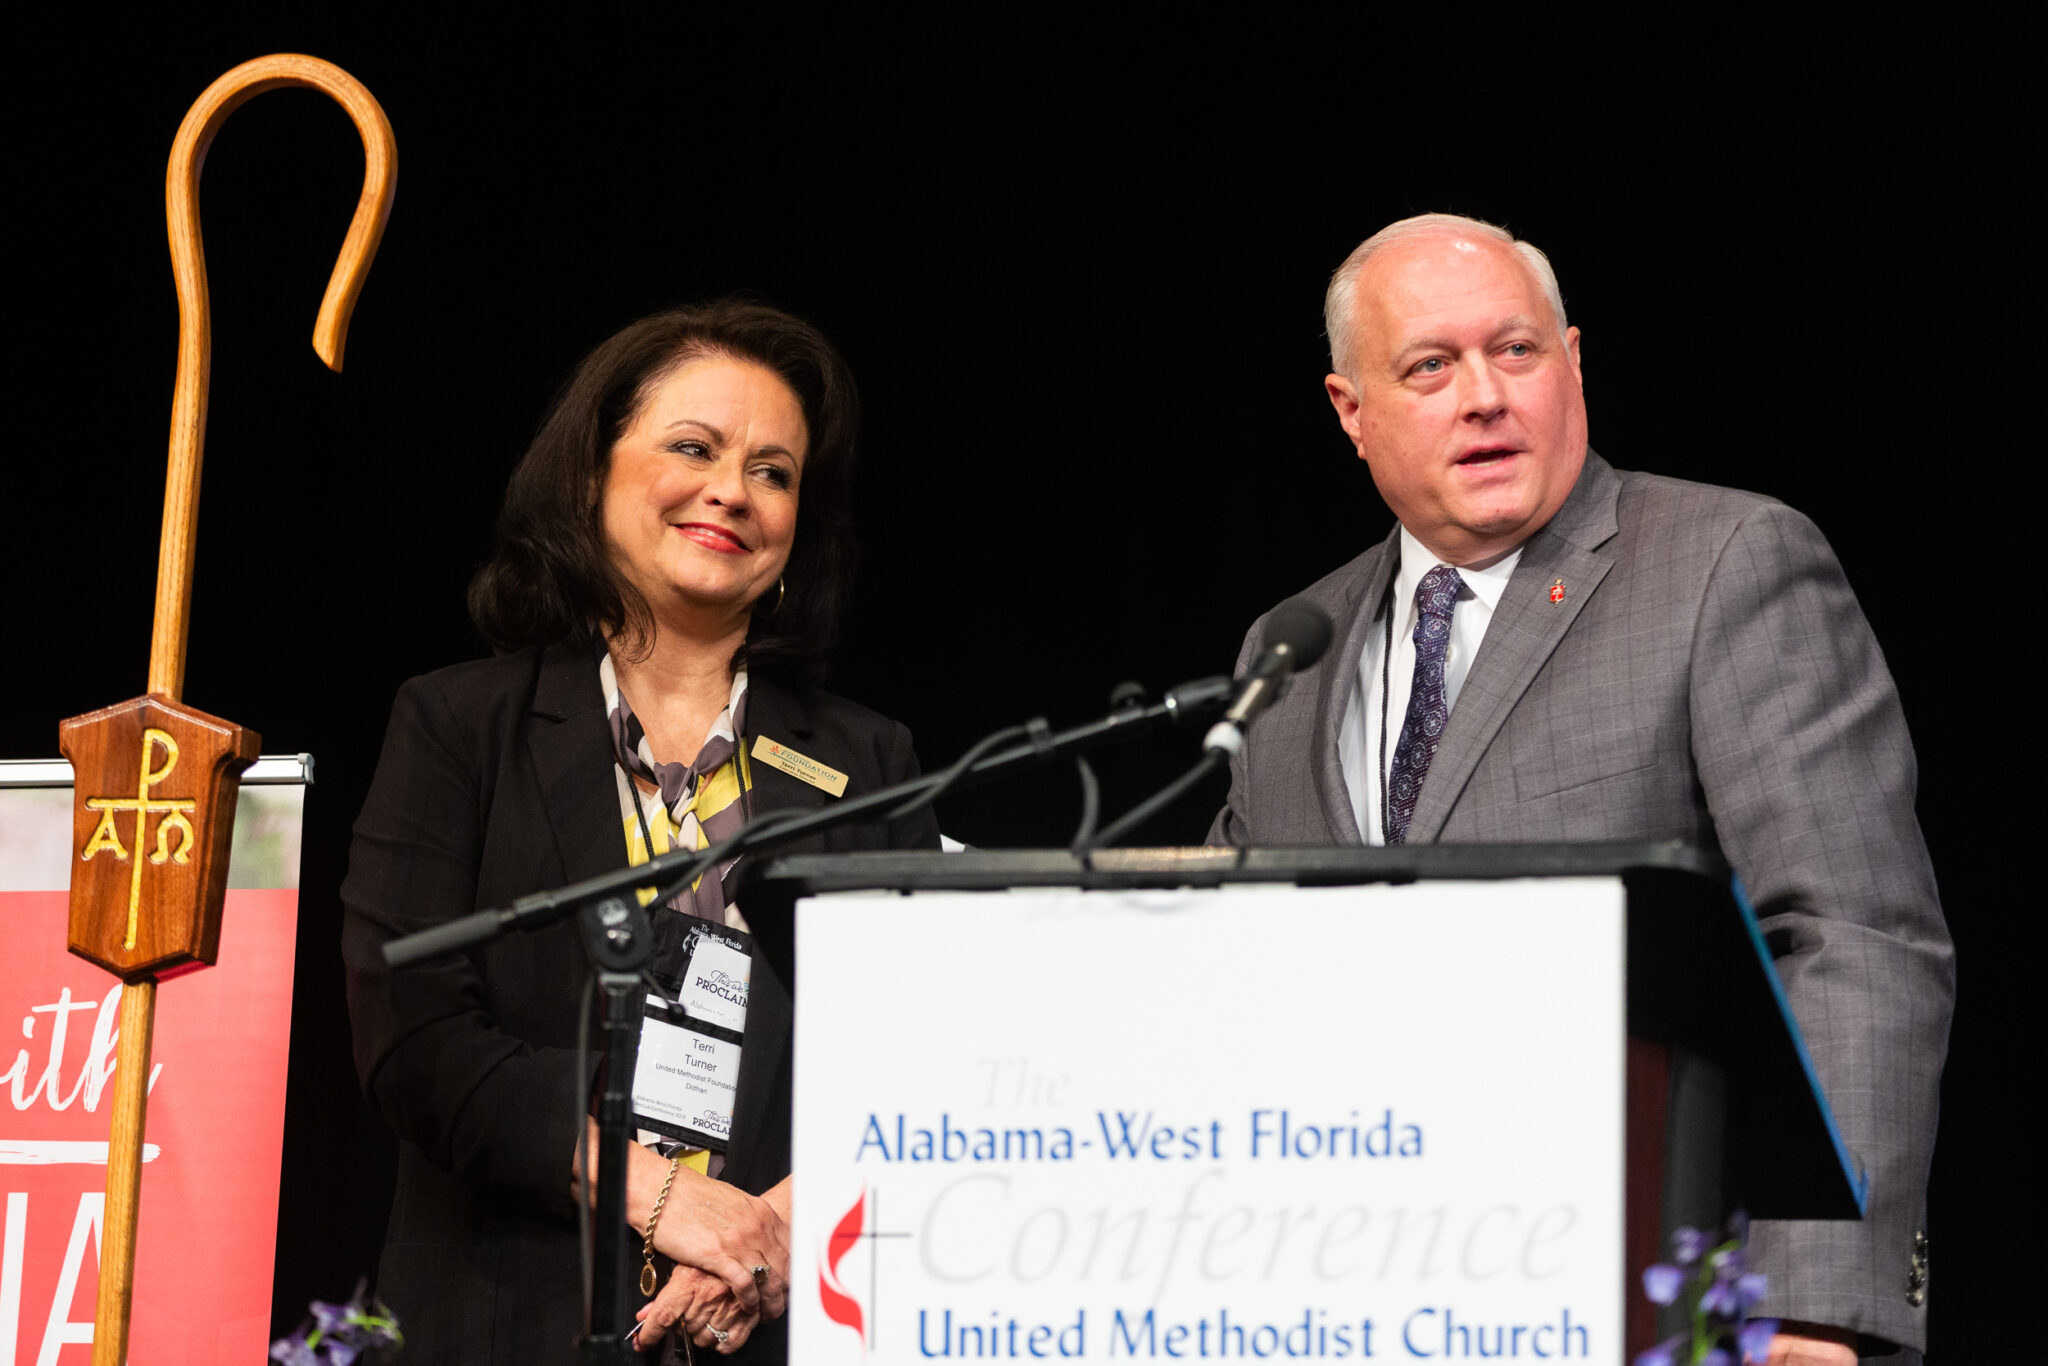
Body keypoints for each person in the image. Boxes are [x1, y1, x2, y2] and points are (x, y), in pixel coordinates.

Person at [1206, 214, 1951, 1366]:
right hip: (1336, 1300)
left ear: (1573, 364)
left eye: (1515, 351)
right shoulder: (1287, 653)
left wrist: (1808, 1299)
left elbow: (1849, 935)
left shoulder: (1723, 562)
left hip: (1640, 1293)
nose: (1484, 396)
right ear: (1350, 413)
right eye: (1428, 367)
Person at [341, 300, 939, 1364]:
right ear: (588, 477)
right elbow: (415, 1038)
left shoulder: (867, 760)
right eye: (692, 448)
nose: (730, 491)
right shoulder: (459, 724)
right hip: (503, 1319)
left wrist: (771, 1238)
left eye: (774, 471)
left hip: (773, 1325)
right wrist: (659, 1195)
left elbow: (915, 1062)